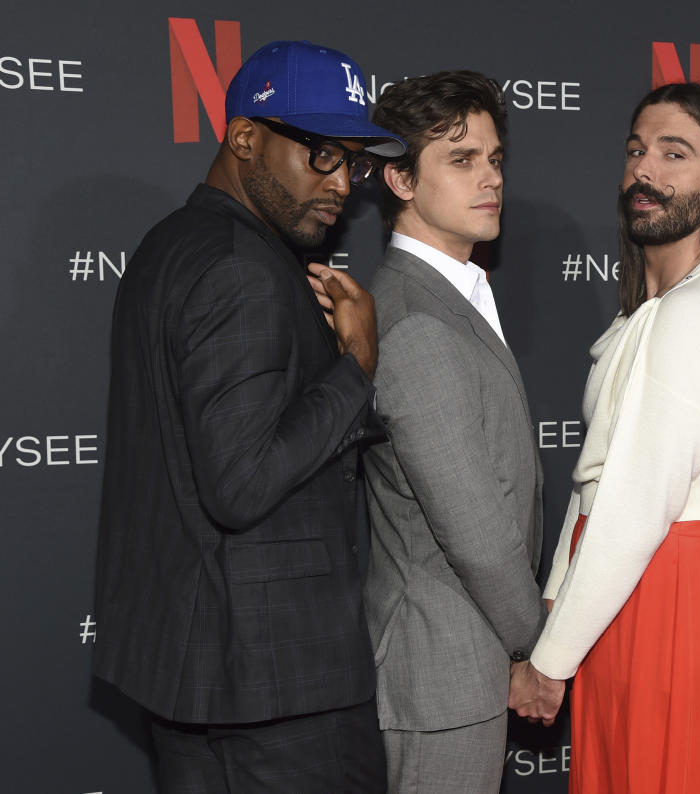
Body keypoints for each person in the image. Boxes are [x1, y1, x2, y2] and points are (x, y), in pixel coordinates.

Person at [93, 40, 405, 793]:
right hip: (280, 689)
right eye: (322, 154)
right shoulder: (242, 268)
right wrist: (357, 365)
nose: (342, 185)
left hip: (204, 676)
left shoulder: (173, 245)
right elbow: (241, 481)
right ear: (243, 137)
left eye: (354, 162)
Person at [508, 82, 700, 793]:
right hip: (637, 591)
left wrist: (549, 660)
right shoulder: (659, 311)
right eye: (636, 150)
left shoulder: (697, 313)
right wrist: (558, 598)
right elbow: (600, 474)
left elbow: (635, 506)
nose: (645, 170)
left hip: (671, 591)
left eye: (674, 153)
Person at [362, 71, 545, 793]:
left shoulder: (451, 294)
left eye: (495, 158)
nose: (489, 178)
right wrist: (538, 647)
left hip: (457, 661)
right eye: (461, 159)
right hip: (439, 671)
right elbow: (473, 526)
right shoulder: (414, 322)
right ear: (400, 180)